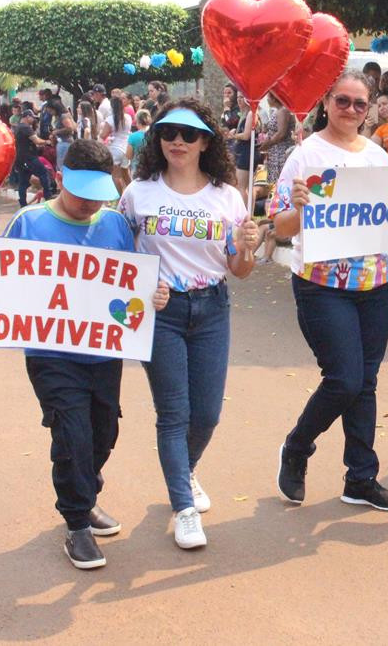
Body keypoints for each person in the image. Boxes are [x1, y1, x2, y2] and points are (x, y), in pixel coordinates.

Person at [0, 139, 170, 569]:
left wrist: (154, 294)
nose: (89, 203)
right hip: (51, 354)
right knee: (72, 432)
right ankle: (76, 523)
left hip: (103, 354)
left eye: (97, 193)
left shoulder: (116, 226)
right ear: (62, 178)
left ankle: (84, 494)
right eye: (81, 190)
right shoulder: (28, 222)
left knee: (104, 431)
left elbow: (134, 284)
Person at [119, 100, 259, 549]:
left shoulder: (228, 196)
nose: (177, 141)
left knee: (208, 414)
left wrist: (249, 247)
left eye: (188, 133)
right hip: (161, 314)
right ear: (157, 139)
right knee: (174, 414)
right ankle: (183, 506)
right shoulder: (138, 193)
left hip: (213, 308)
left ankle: (185, 470)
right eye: (168, 132)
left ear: (205, 141)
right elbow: (116, 260)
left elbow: (239, 269)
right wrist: (142, 294)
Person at [272, 70, 388, 512]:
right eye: (343, 101)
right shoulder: (304, 156)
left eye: (360, 104)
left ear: (369, 110)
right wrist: (299, 209)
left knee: (364, 382)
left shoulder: (378, 156)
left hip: (378, 282)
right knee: (344, 379)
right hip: (323, 284)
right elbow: (280, 226)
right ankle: (297, 446)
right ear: (326, 102)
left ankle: (361, 478)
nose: (350, 110)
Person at [14, 110, 56, 205]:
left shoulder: (17, 128)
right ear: (27, 117)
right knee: (44, 173)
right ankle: (48, 196)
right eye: (32, 118)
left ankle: (23, 203)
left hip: (20, 158)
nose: (33, 120)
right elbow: (36, 140)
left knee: (23, 182)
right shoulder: (26, 128)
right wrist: (47, 142)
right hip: (29, 158)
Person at [98, 96, 133, 194]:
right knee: (126, 174)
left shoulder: (110, 119)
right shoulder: (128, 117)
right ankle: (132, 193)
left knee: (116, 176)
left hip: (115, 149)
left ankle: (119, 198)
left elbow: (103, 135)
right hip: (127, 148)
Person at [258, 91, 294, 183]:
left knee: (280, 180)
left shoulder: (283, 111)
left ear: (274, 98)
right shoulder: (279, 110)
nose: (267, 100)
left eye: (268, 97)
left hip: (280, 153)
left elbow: (281, 133)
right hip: (275, 152)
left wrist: (268, 144)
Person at [230, 92, 257, 203]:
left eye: (242, 97)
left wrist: (234, 135)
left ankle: (244, 213)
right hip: (242, 151)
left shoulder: (251, 113)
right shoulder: (244, 114)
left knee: (241, 186)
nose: (239, 100)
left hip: (246, 153)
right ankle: (247, 212)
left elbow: (246, 135)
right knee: (245, 187)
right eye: (238, 98)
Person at [49, 99, 77, 170]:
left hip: (65, 143)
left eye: (51, 111)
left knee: (62, 166)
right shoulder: (59, 116)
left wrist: (56, 132)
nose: (50, 113)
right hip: (61, 142)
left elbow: (70, 128)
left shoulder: (63, 116)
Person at [125, 109, 151, 176]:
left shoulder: (133, 136)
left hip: (137, 168)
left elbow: (128, 156)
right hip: (152, 168)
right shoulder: (155, 134)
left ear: (138, 121)